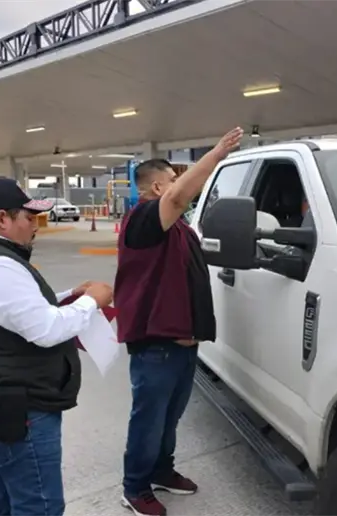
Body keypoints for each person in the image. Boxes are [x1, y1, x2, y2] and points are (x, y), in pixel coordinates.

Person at [0, 177, 114, 516]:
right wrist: (91, 303)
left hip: (3, 407)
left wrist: (68, 297)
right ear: (1, 219)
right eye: (29, 217)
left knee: (5, 500)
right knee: (38, 506)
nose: (36, 226)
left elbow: (15, 312)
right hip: (16, 412)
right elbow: (46, 329)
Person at [114, 127, 244, 516]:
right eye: (171, 180)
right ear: (156, 189)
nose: (179, 188)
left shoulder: (181, 230)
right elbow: (180, 194)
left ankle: (160, 470)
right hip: (157, 347)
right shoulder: (142, 222)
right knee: (149, 419)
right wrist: (217, 153)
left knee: (169, 418)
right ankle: (135, 487)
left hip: (184, 345)